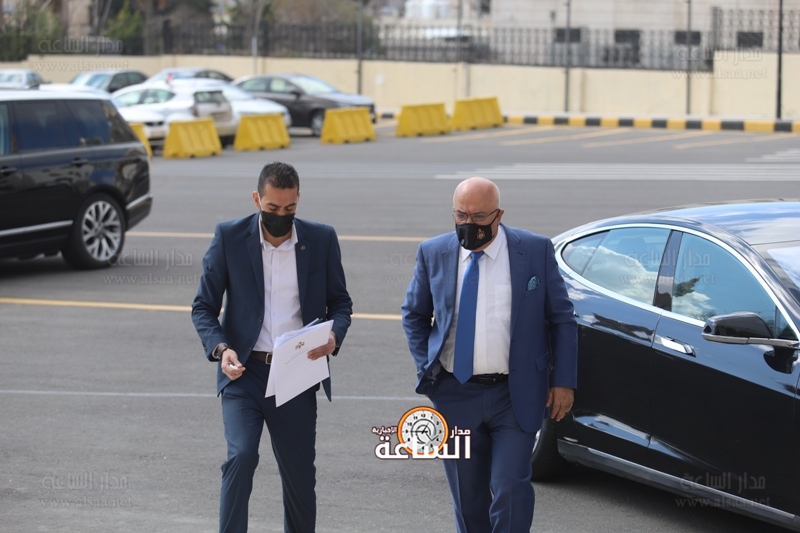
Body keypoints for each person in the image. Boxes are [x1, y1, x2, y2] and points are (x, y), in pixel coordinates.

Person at [401, 177, 578, 532]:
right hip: (455, 393)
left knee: (510, 488)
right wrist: (429, 373)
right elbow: (414, 315)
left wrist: (563, 382)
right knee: (468, 500)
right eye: (461, 215)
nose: (469, 224)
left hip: (515, 394)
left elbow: (562, 319)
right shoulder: (433, 252)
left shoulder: (534, 250)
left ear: (499, 215)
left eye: (479, 217)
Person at [192, 161, 352, 533]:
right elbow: (203, 307)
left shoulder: (321, 238)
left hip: (296, 372)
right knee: (241, 456)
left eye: (290, 208)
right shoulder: (230, 237)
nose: (281, 216)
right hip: (244, 371)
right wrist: (221, 349)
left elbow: (340, 302)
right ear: (256, 199)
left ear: (298, 200)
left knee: (299, 476)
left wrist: (334, 335)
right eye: (272, 208)